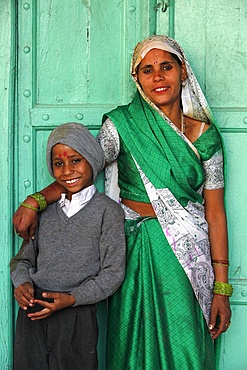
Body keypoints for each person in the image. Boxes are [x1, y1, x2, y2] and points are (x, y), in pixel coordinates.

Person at [13, 35, 232, 369]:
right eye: (148, 70)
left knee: (186, 348)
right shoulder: (122, 125)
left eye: (166, 67)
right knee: (131, 347)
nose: (158, 77)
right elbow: (80, 171)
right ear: (138, 79)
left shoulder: (206, 136)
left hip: (186, 255)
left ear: (183, 71)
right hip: (132, 250)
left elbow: (215, 214)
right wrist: (36, 201)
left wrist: (221, 288)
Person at [10, 122, 126, 370]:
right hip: (32, 312)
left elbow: (112, 273)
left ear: (92, 161)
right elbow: (22, 261)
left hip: (77, 314)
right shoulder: (44, 212)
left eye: (76, 161)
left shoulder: (108, 212)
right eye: (59, 163)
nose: (67, 170)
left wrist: (72, 298)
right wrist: (22, 283)